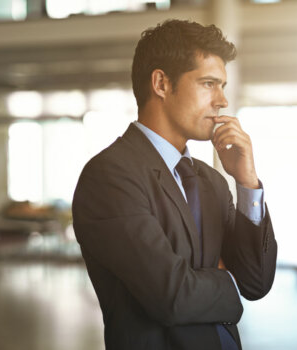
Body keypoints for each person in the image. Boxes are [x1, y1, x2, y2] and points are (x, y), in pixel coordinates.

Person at [72, 19, 277, 350]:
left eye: (223, 86)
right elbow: (173, 297)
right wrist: (227, 280)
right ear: (161, 83)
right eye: (209, 84)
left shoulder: (212, 181)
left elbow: (255, 282)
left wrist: (247, 183)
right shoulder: (109, 176)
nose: (222, 100)